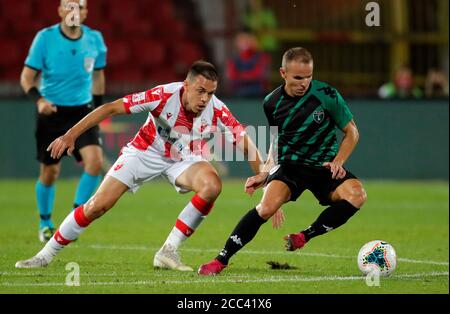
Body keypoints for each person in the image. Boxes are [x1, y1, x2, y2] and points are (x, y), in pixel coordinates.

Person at [15, 61, 264, 272]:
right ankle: (44, 255)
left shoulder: (217, 109)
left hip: (184, 157)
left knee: (212, 185)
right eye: (200, 91)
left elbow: (247, 145)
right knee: (97, 206)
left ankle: (169, 251)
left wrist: (265, 188)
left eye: (210, 93)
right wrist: (70, 135)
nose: (205, 99)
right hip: (144, 151)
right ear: (186, 86)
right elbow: (110, 108)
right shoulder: (162, 96)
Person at [198, 47, 367, 275]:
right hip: (292, 167)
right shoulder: (272, 103)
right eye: (298, 77)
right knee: (266, 208)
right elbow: (277, 141)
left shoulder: (327, 94)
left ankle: (304, 236)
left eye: (308, 77)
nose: (304, 83)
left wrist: (339, 160)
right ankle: (221, 260)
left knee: (357, 195)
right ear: (283, 73)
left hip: (325, 166)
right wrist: (265, 174)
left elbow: (352, 132)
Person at [20, 0, 107, 243]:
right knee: (50, 171)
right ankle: (45, 222)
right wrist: (39, 101)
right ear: (60, 11)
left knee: (95, 162)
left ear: (86, 12)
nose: (75, 12)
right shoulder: (45, 38)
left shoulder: (95, 39)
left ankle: (74, 219)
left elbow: (98, 75)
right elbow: (27, 77)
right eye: (69, 7)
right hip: (51, 112)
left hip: (82, 112)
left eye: (80, 7)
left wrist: (97, 109)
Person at [226, 32, 271, 97]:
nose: (244, 43)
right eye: (241, 41)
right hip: (238, 93)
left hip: (258, 93)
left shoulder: (262, 56)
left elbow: (259, 74)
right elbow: (232, 76)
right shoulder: (233, 58)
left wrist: (241, 76)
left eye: (247, 40)